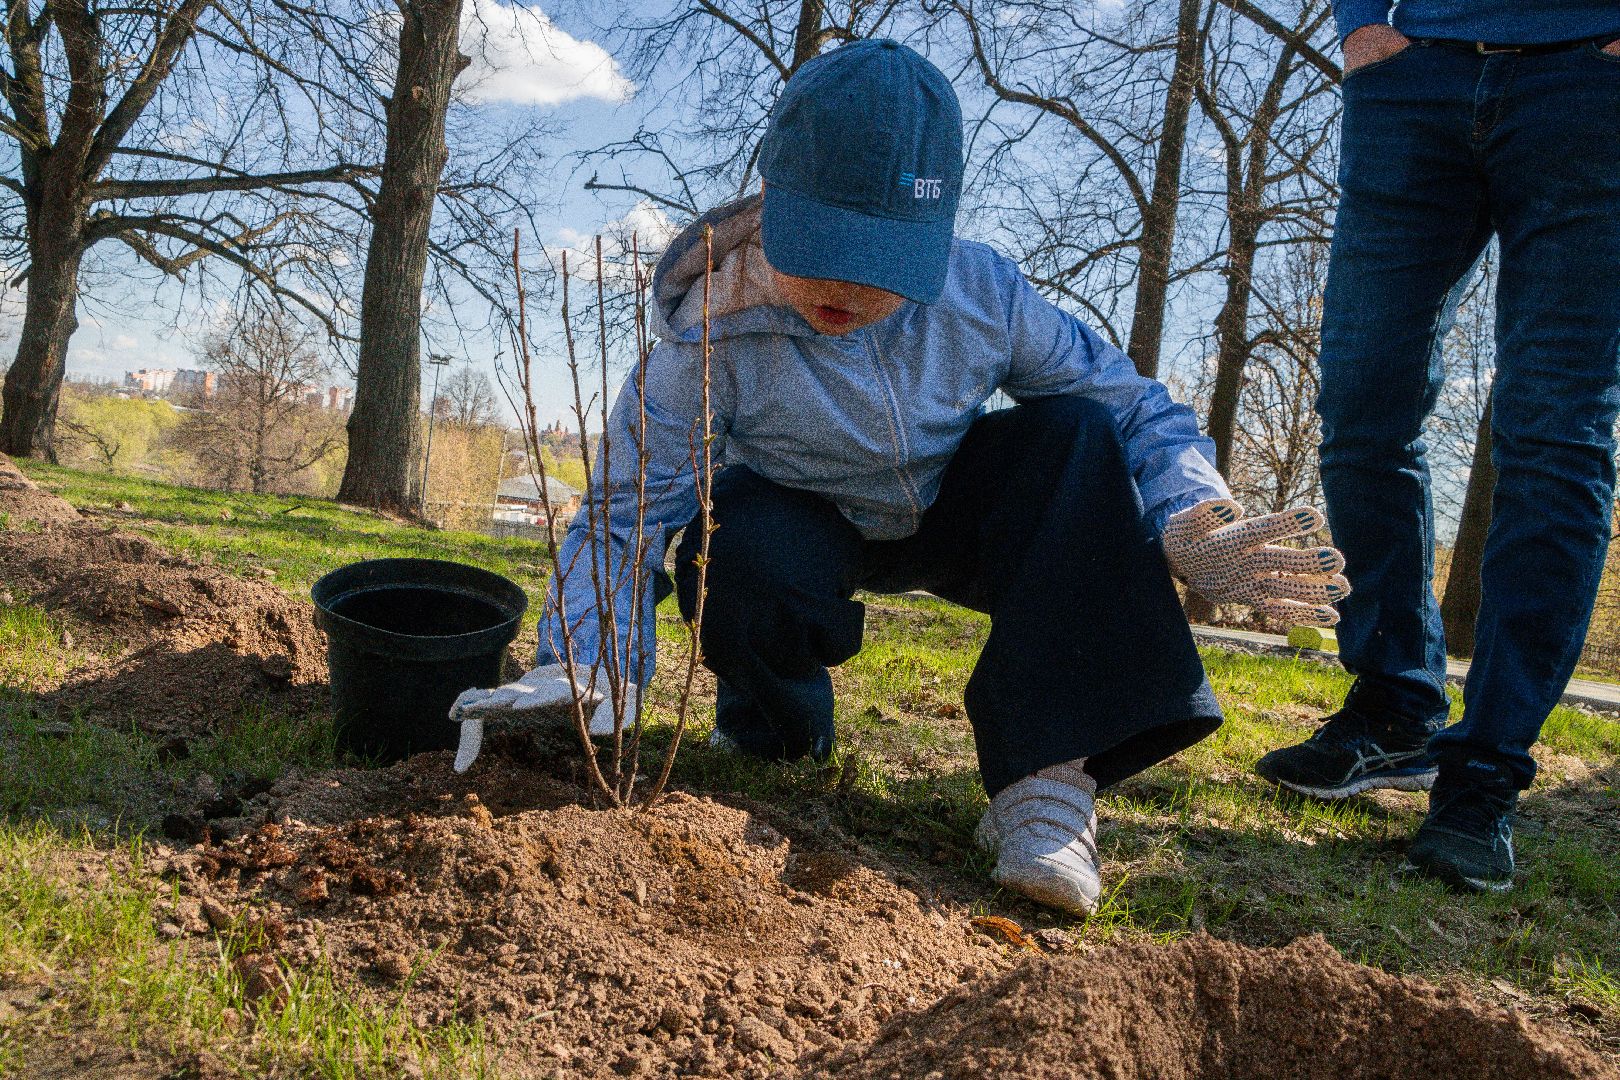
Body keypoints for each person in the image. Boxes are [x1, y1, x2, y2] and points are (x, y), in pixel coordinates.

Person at [453, 40, 1348, 916]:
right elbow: (623, 514)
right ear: (772, 201)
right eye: (825, 245)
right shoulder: (706, 338)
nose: (847, 285)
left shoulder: (981, 294)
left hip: (952, 504)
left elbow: (1131, 402)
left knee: (1074, 436)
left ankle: (1045, 789)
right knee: (741, 540)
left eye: (882, 260)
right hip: (802, 516)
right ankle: (774, 733)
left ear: (936, 230)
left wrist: (1189, 508)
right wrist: (583, 664)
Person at [1256, 5, 1620, 893]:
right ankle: (1396, 705)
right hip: (1410, 74)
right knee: (1362, 401)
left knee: (1554, 432)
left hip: (1594, 77)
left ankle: (1484, 776)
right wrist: (1361, 24)